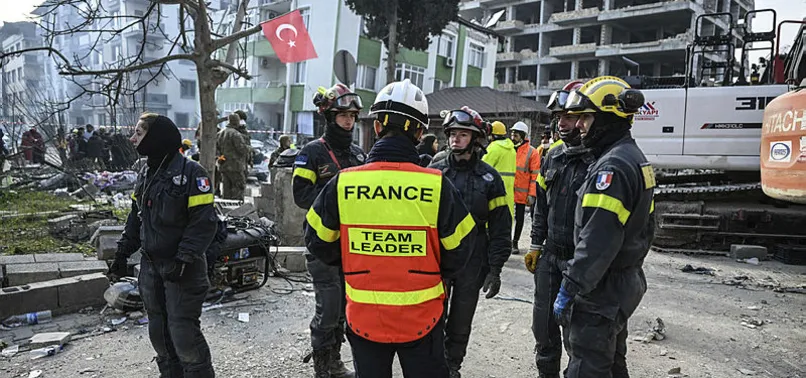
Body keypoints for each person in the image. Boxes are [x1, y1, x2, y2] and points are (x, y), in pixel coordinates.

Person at [304, 79, 476, 378]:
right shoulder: (436, 185)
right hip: (423, 317)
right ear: (420, 133)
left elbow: (317, 240)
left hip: (363, 317)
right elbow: (461, 251)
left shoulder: (344, 182)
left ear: (377, 128)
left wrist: (352, 261)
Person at [552, 76, 654, 378]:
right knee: (612, 362)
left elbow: (597, 242)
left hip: (602, 290)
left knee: (587, 365)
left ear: (607, 118)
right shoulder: (632, 159)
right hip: (622, 281)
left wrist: (571, 286)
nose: (579, 125)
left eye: (586, 117)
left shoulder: (611, 169)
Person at [107, 113, 217, 378]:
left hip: (183, 269)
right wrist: (122, 253)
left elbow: (203, 223)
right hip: (151, 267)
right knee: (158, 330)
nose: (133, 138)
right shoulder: (146, 172)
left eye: (140, 132)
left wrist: (184, 258)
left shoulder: (192, 173)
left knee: (183, 333)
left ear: (157, 137)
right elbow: (136, 217)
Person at [429, 106, 511, 378]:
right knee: (432, 317)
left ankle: (452, 367)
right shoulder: (434, 171)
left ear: (476, 139)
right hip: (438, 256)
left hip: (473, 257)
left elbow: (501, 226)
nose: (455, 139)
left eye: (463, 134)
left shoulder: (490, 178)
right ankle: (434, 365)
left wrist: (496, 268)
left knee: (461, 321)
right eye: (452, 134)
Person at [292, 83, 367, 378]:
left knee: (348, 307)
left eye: (352, 115)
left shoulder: (361, 155)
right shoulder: (312, 152)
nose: (348, 121)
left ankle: (334, 359)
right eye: (342, 115)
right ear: (329, 116)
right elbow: (301, 195)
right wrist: (334, 211)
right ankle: (324, 366)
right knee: (330, 305)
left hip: (352, 245)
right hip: (322, 243)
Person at [524, 80, 587, 378]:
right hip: (550, 256)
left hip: (581, 261)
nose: (561, 123)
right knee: (544, 329)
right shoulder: (553, 155)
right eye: (558, 116)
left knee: (576, 336)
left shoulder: (599, 159)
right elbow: (541, 206)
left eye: (569, 116)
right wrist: (536, 245)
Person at [510, 121, 540, 254]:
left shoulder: (532, 152)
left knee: (520, 218)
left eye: (515, 134)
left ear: (522, 135)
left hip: (522, 193)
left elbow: (535, 175)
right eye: (512, 133)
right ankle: (506, 241)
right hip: (508, 191)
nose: (512, 136)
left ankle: (515, 242)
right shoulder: (509, 149)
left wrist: (531, 194)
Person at [481, 120, 516, 219]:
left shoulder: (494, 148)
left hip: (494, 191)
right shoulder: (512, 149)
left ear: (493, 135)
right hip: (508, 193)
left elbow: (482, 168)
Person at [217, 113, 250, 200]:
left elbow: (217, 149)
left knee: (226, 190)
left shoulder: (221, 133)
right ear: (237, 121)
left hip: (224, 166)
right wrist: (250, 149)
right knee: (238, 189)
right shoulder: (235, 134)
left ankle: (226, 210)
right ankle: (236, 210)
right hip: (236, 166)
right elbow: (242, 150)